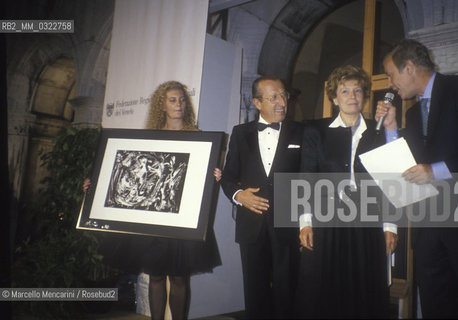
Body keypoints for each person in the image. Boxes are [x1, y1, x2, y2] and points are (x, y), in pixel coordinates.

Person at [85, 81, 221, 320]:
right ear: (162, 105)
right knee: (156, 276)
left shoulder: (198, 137)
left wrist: (214, 176)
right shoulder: (148, 138)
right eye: (172, 100)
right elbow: (129, 175)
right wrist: (96, 185)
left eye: (181, 100)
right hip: (154, 219)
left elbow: (199, 180)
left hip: (182, 219)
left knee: (179, 278)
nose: (178, 104)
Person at [375, 39, 458, 318]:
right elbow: (408, 166)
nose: (389, 83)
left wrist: (434, 171)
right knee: (437, 307)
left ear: (410, 67)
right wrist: (390, 128)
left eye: (391, 74)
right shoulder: (412, 114)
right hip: (427, 232)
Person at [297, 65, 397, 318]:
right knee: (323, 286)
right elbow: (307, 178)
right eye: (344, 91)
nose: (352, 97)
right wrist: (305, 223)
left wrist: (390, 226)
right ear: (334, 98)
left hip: (368, 221)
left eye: (357, 91)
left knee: (365, 286)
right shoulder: (315, 132)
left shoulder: (379, 132)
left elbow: (390, 182)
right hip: (326, 220)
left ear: (364, 95)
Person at [220, 76, 303, 319]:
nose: (282, 102)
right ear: (257, 102)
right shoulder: (240, 133)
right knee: (254, 292)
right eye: (274, 97)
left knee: (288, 291)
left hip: (288, 224)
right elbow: (227, 177)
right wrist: (239, 195)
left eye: (284, 95)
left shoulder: (301, 132)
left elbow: (308, 175)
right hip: (251, 225)